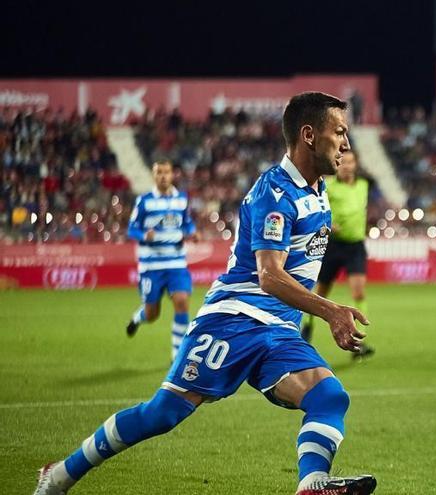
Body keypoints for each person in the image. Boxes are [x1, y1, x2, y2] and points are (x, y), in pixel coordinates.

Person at [34, 92, 377, 495]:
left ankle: (312, 484)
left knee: (330, 397)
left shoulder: (317, 192)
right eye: (339, 132)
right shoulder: (275, 193)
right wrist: (330, 310)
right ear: (308, 135)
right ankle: (58, 476)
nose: (347, 144)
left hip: (278, 332)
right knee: (162, 414)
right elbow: (269, 276)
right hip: (235, 319)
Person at [302, 150, 374, 358]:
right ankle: (307, 326)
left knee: (359, 292)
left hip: (355, 246)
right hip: (333, 245)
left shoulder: (364, 185)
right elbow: (315, 205)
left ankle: (360, 341)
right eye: (343, 162)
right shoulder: (329, 186)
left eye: (350, 162)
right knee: (320, 292)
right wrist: (328, 222)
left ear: (355, 164)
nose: (346, 166)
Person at [125, 160, 198, 360]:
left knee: (182, 302)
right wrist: (143, 235)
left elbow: (187, 223)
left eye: (166, 172)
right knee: (152, 313)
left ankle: (178, 355)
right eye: (159, 172)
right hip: (151, 266)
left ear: (173, 174)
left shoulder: (182, 199)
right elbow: (131, 229)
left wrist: (193, 232)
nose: (163, 176)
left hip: (176, 263)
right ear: (153, 175)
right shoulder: (144, 201)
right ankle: (137, 318)